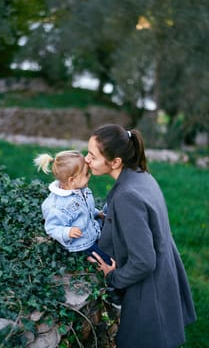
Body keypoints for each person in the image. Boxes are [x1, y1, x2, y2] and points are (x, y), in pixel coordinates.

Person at [85, 124, 196, 348]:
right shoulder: (140, 176)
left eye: (92, 156)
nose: (86, 160)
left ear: (115, 162)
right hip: (164, 282)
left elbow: (144, 261)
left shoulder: (127, 195)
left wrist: (112, 277)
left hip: (149, 297)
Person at [33, 150, 112, 264]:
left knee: (110, 241)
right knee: (106, 258)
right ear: (72, 180)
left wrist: (96, 213)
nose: (89, 176)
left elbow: (84, 211)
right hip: (82, 243)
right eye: (86, 174)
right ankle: (88, 257)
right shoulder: (57, 207)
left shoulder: (80, 190)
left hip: (91, 231)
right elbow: (52, 227)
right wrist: (67, 232)